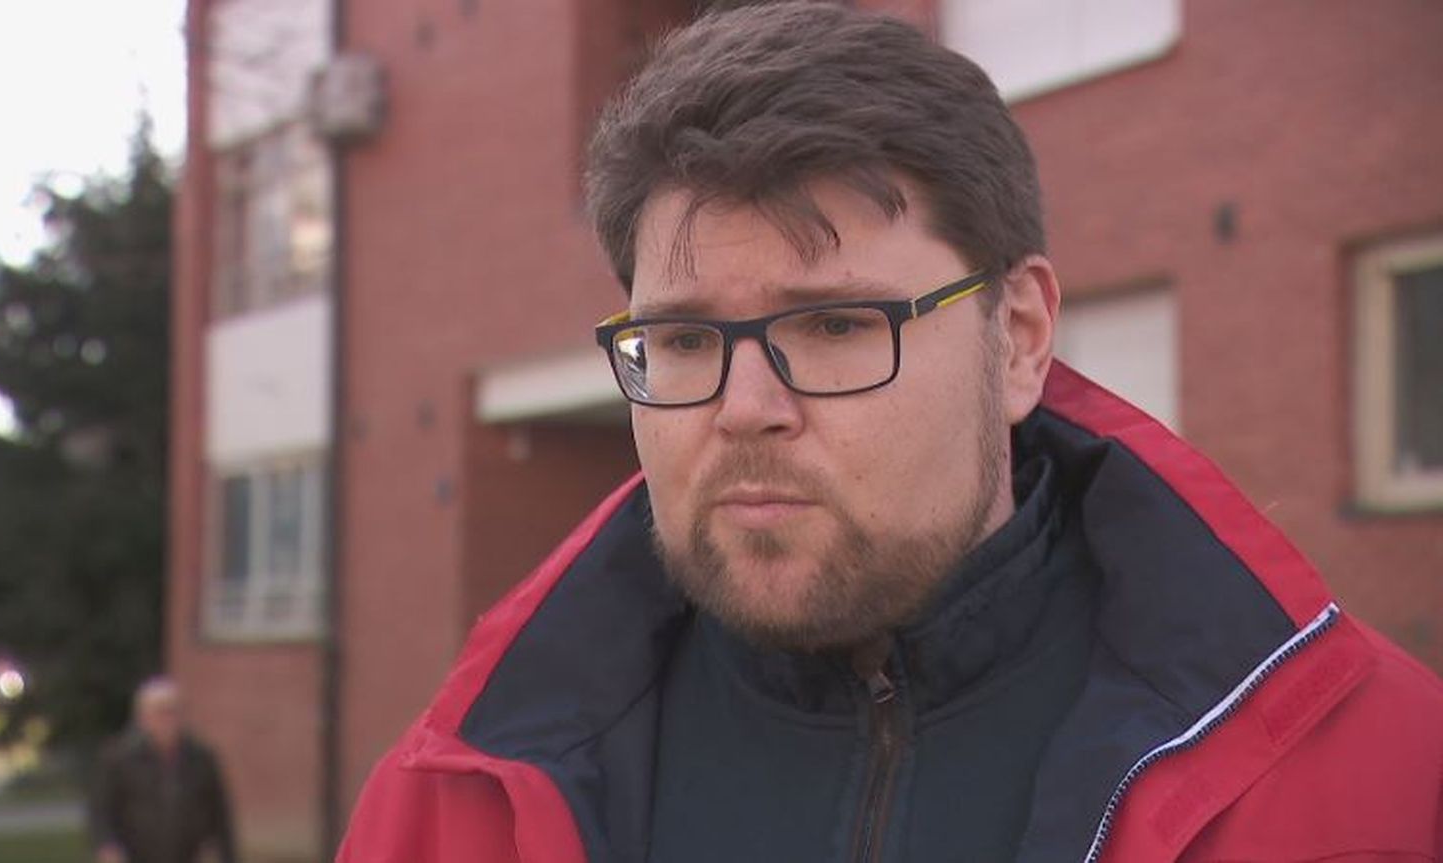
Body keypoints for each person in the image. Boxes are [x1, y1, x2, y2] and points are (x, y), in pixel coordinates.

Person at [339, 4, 1443, 861]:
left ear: (1018, 338)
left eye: (833, 326)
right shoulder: (453, 803)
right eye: (681, 340)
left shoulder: (1370, 775)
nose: (743, 407)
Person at [89, 677, 236, 863]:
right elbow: (101, 811)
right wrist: (107, 847)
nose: (168, 719)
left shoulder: (202, 758)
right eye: (160, 712)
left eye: (174, 711)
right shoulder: (119, 758)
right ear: (143, 717)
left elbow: (220, 814)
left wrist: (223, 854)